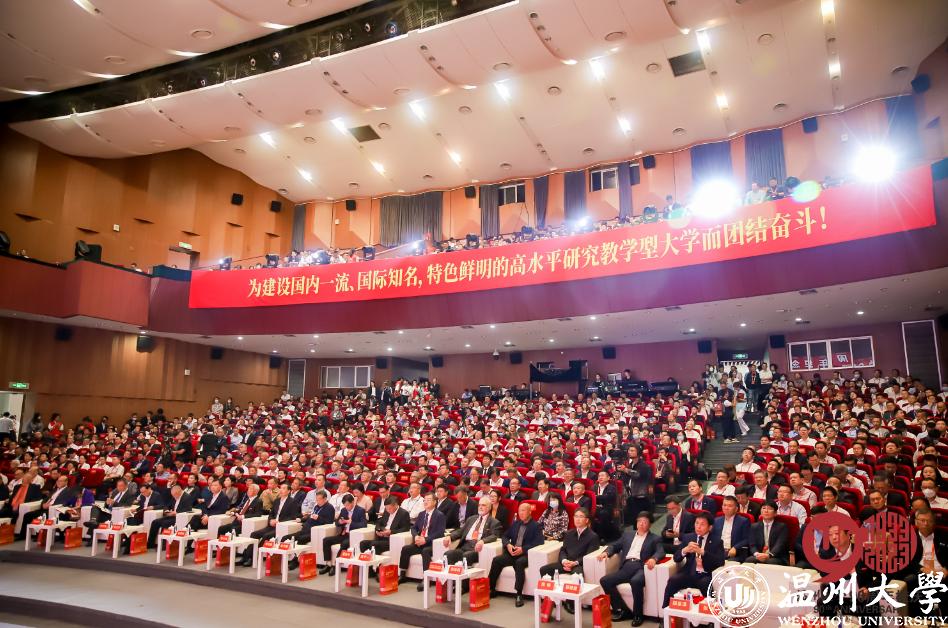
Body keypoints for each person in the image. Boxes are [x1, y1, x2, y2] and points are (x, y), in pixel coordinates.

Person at [598, 512, 665, 626]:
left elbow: (660, 551)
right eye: (639, 521)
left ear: (650, 524)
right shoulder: (627, 535)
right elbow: (614, 546)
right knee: (605, 581)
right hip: (626, 566)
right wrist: (606, 553)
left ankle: (638, 615)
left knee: (636, 581)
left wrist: (654, 559)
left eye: (645, 522)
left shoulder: (655, 538)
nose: (641, 524)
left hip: (640, 567)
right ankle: (623, 610)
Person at [538, 508, 600, 614]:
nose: (578, 519)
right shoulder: (569, 533)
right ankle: (550, 599)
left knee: (577, 575)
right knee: (544, 569)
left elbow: (588, 555)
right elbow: (563, 550)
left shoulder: (593, 536)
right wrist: (564, 561)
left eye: (581, 517)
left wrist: (574, 563)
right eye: (576, 516)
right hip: (566, 562)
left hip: (578, 564)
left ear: (587, 520)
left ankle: (570, 603)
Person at [662, 512, 725, 607]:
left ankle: (710, 611)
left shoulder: (717, 541)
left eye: (702, 524)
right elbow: (676, 558)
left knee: (705, 583)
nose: (698, 527)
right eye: (697, 523)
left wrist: (703, 552)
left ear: (710, 527)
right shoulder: (688, 537)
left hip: (705, 574)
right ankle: (666, 609)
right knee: (673, 580)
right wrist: (685, 550)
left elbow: (720, 561)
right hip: (689, 573)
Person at [488, 502, 542, 607]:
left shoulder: (536, 526)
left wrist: (523, 549)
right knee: (496, 560)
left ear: (530, 512)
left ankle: (519, 594)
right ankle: (491, 588)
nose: (521, 513)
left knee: (519, 563)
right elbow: (505, 536)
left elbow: (539, 542)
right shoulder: (516, 523)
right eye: (519, 510)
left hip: (525, 555)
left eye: (523, 510)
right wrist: (508, 544)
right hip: (512, 552)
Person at [239, 483, 300, 566]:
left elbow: (293, 516)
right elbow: (271, 514)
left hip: (281, 527)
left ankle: (251, 557)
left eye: (284, 488)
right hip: (272, 525)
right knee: (254, 534)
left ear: (289, 491)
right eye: (281, 488)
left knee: (266, 536)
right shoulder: (277, 501)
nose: (281, 490)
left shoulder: (292, 501)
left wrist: (279, 522)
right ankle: (247, 556)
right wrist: (270, 520)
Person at [439, 496, 502, 569]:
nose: (480, 507)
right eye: (479, 505)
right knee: (448, 554)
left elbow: (494, 535)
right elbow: (461, 531)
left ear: (489, 507)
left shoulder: (494, 522)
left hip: (476, 549)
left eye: (483, 505)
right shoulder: (471, 519)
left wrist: (483, 541)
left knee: (466, 556)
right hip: (464, 547)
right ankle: (449, 576)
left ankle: (463, 576)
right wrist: (450, 536)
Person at [398, 493, 445, 585]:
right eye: (424, 500)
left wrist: (426, 539)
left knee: (425, 551)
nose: (425, 502)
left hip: (431, 544)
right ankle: (402, 575)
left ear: (435, 502)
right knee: (406, 549)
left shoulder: (440, 515)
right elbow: (414, 528)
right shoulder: (422, 514)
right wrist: (416, 536)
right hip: (420, 542)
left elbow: (440, 532)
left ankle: (426, 578)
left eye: (428, 500)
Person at [319, 494, 367, 575]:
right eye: (345, 505)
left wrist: (351, 523)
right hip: (343, 534)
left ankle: (335, 565)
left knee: (344, 543)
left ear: (353, 502)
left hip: (353, 536)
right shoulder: (343, 510)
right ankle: (328, 564)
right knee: (326, 540)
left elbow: (364, 525)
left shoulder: (360, 510)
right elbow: (337, 523)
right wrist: (340, 522)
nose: (346, 507)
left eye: (348, 505)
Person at [146, 484, 194, 549]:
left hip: (179, 517)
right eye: (173, 495)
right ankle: (150, 543)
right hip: (171, 516)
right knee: (155, 522)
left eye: (175, 495)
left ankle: (163, 545)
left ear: (179, 492)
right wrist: (166, 510)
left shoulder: (187, 497)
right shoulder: (174, 495)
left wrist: (176, 512)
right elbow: (167, 505)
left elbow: (188, 509)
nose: (174, 496)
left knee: (165, 523)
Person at [711, 496, 750, 561]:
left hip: (734, 553)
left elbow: (747, 539)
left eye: (730, 506)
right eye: (724, 505)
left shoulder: (743, 521)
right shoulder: (716, 521)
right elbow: (712, 537)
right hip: (718, 552)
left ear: (736, 509)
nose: (726, 508)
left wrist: (735, 548)